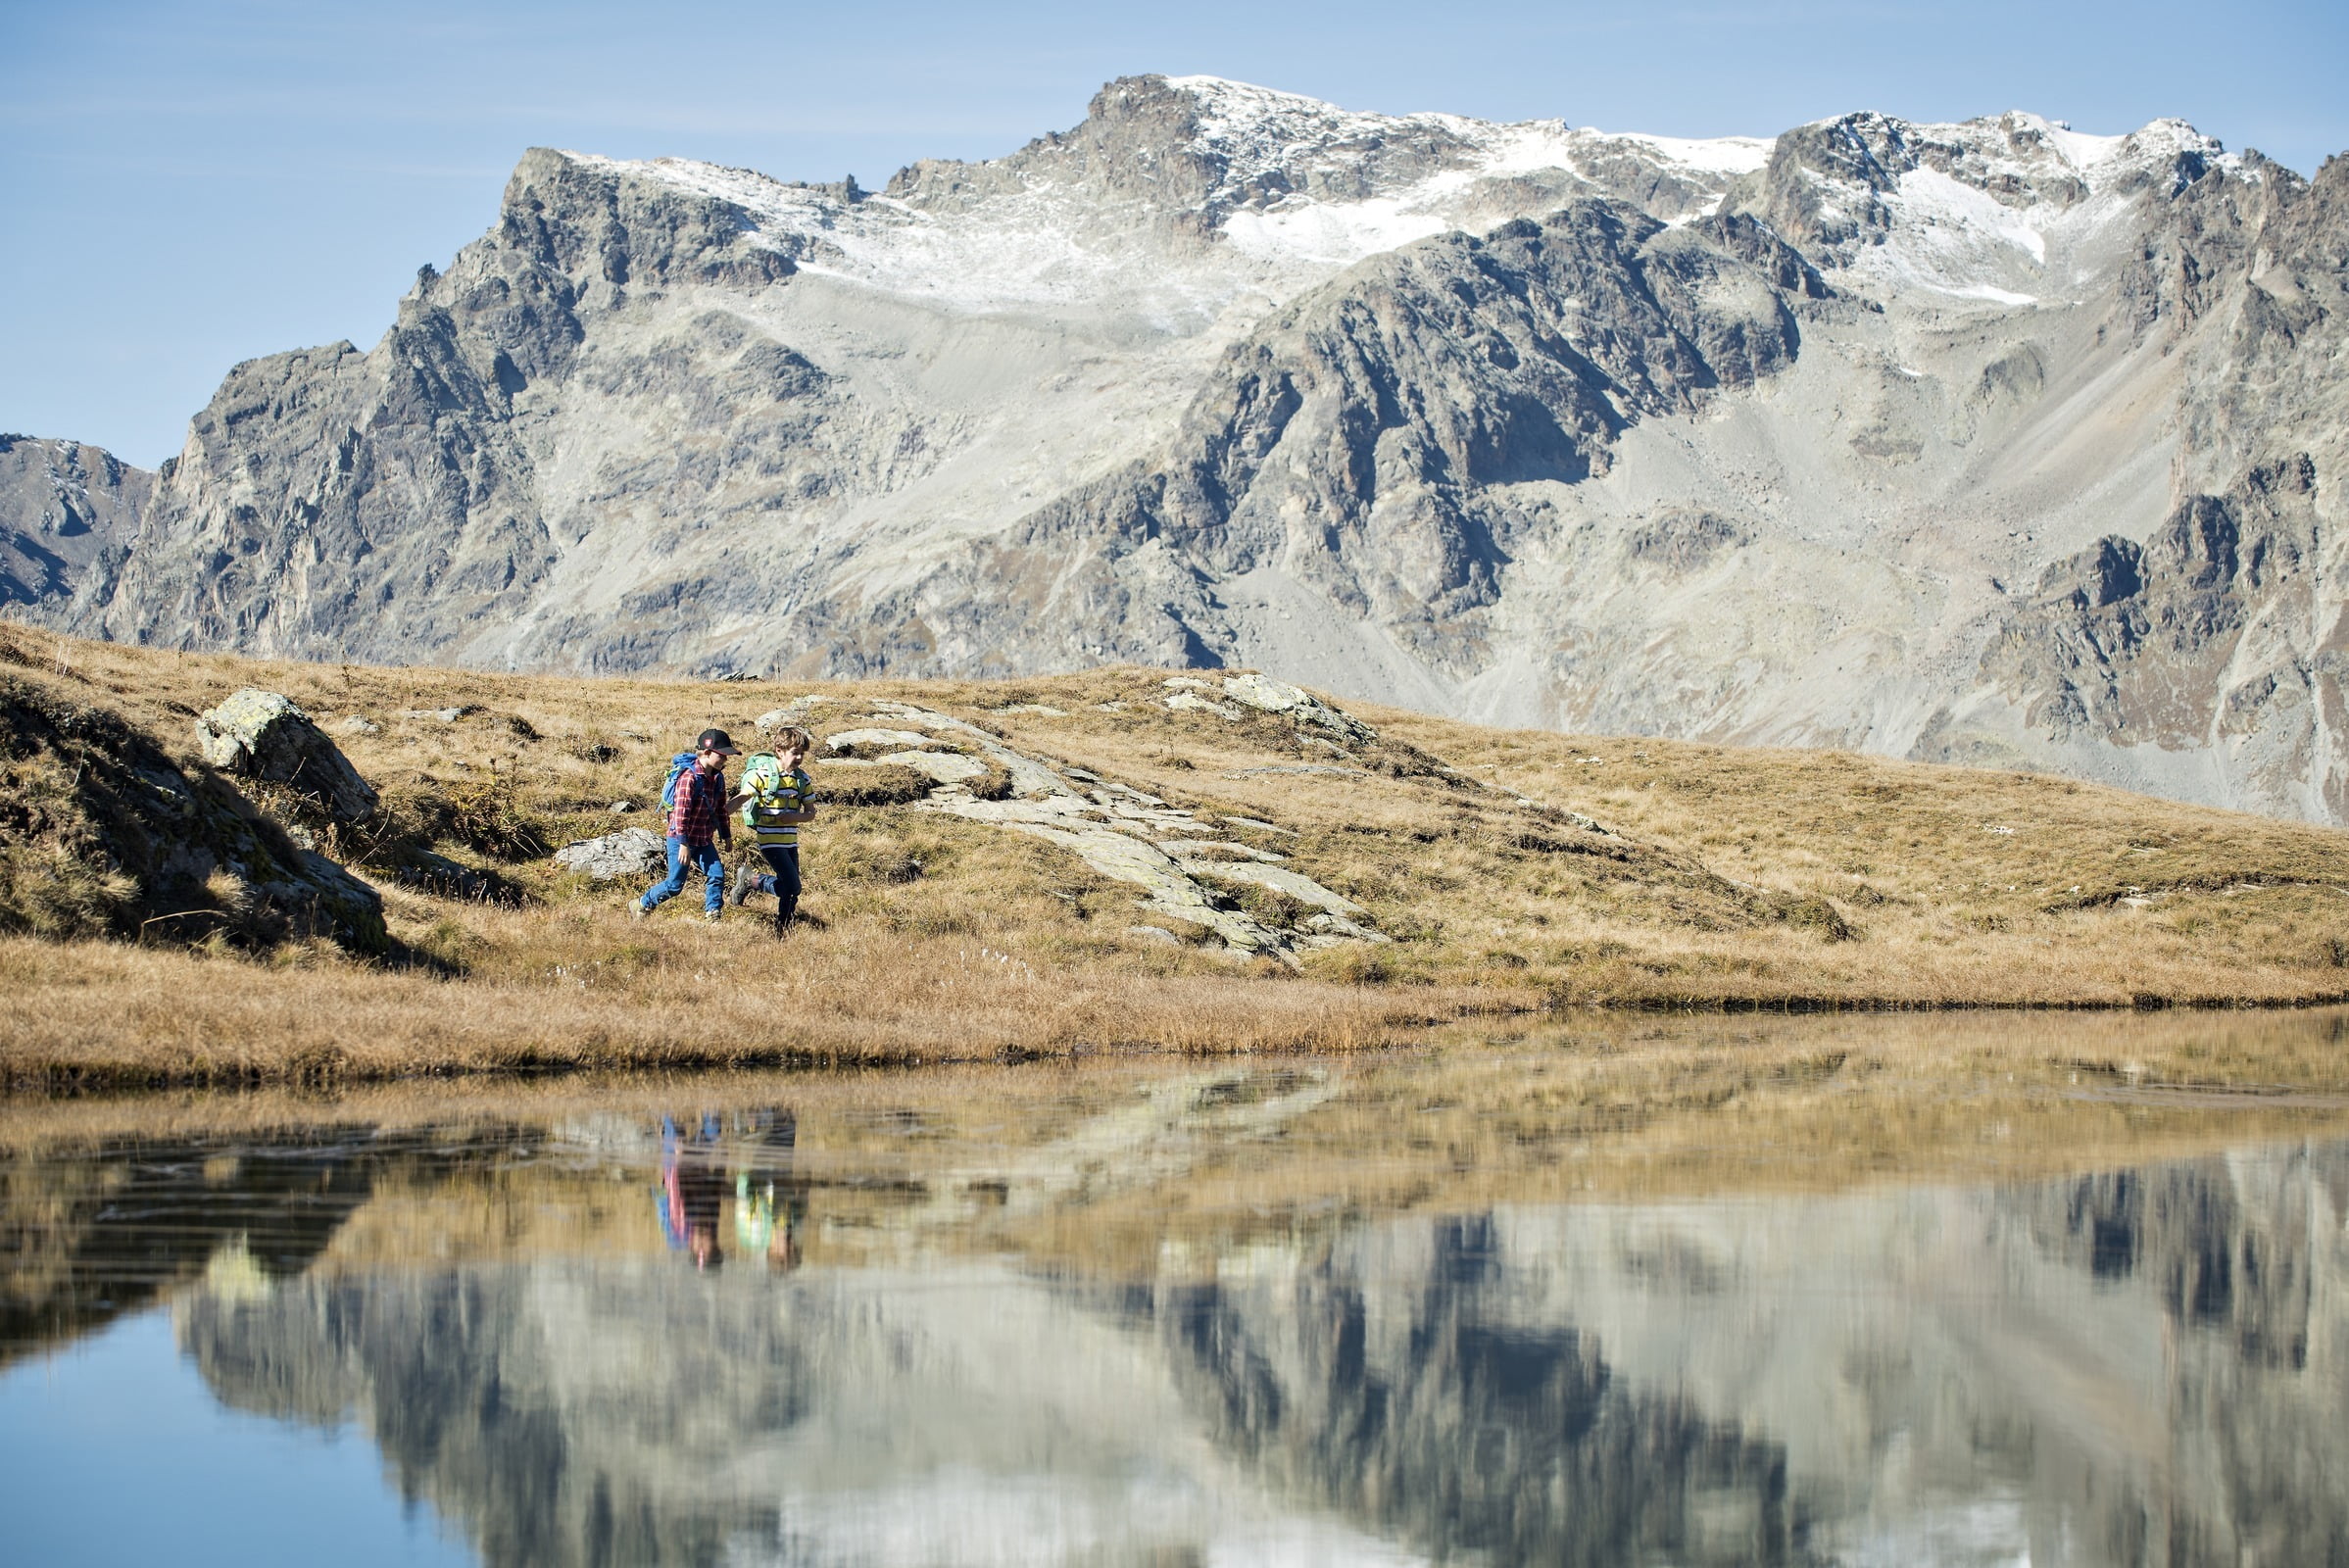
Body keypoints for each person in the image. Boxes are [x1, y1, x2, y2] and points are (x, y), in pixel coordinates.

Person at [634, 728, 739, 921]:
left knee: (716, 874)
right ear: (707, 753)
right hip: (680, 839)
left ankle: (713, 914)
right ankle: (643, 903)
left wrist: (726, 834)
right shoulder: (689, 778)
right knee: (674, 885)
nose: (725, 760)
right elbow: (680, 814)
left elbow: (721, 809)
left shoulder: (718, 778)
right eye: (722, 756)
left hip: (704, 839)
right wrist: (683, 844)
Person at [726, 726, 816, 935]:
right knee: (794, 887)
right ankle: (750, 880)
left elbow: (811, 813)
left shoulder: (802, 780)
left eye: (802, 753)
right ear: (779, 751)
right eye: (795, 753)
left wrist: (794, 818)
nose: (799, 758)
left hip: (790, 841)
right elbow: (742, 798)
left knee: (790, 890)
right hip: (769, 841)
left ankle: (783, 929)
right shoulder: (764, 774)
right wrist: (718, 818)